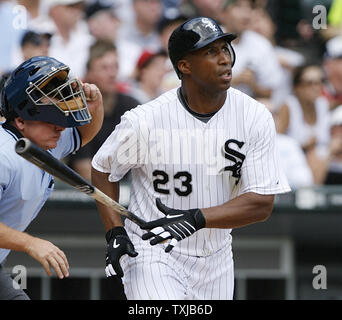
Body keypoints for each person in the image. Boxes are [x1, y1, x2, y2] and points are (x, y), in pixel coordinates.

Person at [91, 16, 291, 300]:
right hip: (152, 250)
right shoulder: (146, 120)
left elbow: (261, 203)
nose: (225, 59)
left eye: (225, 49)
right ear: (184, 66)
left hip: (216, 256)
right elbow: (102, 170)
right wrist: (115, 232)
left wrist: (197, 218)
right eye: (211, 52)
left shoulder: (254, 117)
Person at [0, 55, 103, 299]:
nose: (60, 128)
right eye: (51, 121)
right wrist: (31, 243)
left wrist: (95, 105)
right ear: (21, 120)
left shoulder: (42, 141)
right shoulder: (3, 155)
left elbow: (83, 134)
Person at [67, 40, 139, 181]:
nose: (112, 74)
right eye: (104, 68)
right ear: (89, 73)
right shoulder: (77, 110)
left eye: (115, 67)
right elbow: (85, 173)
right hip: (86, 196)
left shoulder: (131, 106)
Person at [276, 64, 331, 184]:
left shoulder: (323, 104)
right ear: (297, 87)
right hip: (293, 165)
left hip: (324, 162)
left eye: (320, 82)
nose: (317, 87)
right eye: (310, 83)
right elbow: (277, 143)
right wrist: (304, 146)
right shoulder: (289, 106)